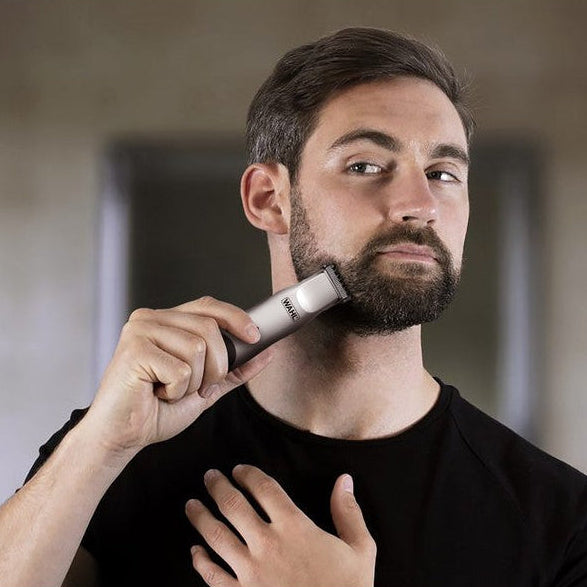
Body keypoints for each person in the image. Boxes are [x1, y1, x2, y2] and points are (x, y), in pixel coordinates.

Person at [1, 27, 586, 587]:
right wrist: (99, 447)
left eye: (443, 173)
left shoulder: (561, 522)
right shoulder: (111, 452)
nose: (420, 204)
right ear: (269, 199)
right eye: (365, 166)